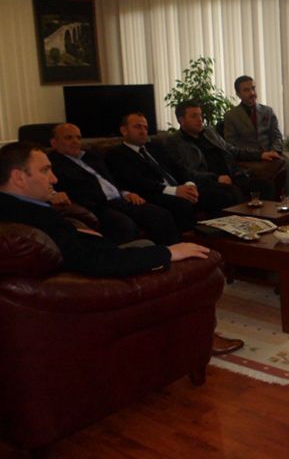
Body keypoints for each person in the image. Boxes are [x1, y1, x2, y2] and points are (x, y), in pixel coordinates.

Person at [0, 141, 244, 356]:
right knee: (200, 262)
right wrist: (169, 252)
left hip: (92, 263)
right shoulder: (32, 217)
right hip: (96, 282)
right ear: (19, 178)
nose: (54, 179)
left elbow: (65, 244)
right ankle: (201, 337)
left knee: (147, 243)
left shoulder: (13, 208)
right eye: (45, 170)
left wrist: (76, 231)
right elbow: (98, 261)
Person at [48, 123, 180, 245]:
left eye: (78, 137)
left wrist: (126, 192)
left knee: (161, 215)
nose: (75, 141)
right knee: (124, 225)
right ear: (54, 143)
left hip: (120, 200)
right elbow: (46, 185)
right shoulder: (52, 164)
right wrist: (53, 194)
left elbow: (111, 179)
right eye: (68, 138)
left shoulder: (90, 156)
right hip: (96, 205)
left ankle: (173, 254)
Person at [105, 113, 203, 229]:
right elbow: (135, 181)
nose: (143, 131)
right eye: (137, 127)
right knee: (182, 204)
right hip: (153, 193)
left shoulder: (155, 147)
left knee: (214, 193)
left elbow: (177, 167)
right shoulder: (117, 154)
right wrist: (174, 191)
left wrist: (189, 184)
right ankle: (193, 237)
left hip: (178, 187)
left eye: (145, 128)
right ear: (124, 130)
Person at [165, 100, 275, 203]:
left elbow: (231, 150)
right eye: (194, 116)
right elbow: (187, 173)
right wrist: (216, 178)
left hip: (231, 176)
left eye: (200, 115)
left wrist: (260, 154)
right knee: (232, 193)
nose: (200, 120)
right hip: (206, 184)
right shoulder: (175, 142)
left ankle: (265, 217)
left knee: (266, 185)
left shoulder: (209, 132)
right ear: (181, 120)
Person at [223, 75, 289, 196]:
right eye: (246, 90)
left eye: (253, 88)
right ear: (238, 94)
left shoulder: (268, 111)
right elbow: (231, 144)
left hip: (272, 153)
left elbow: (277, 136)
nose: (252, 93)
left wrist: (274, 151)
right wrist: (258, 155)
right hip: (250, 158)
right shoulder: (231, 116)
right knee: (264, 172)